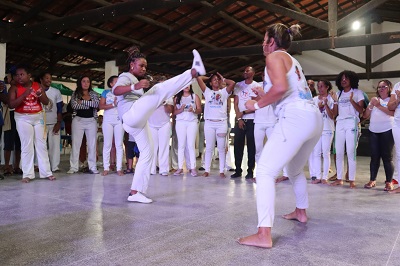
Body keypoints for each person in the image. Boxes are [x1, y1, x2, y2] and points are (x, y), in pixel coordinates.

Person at [237, 23, 322, 248]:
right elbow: (284, 91)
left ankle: (263, 234)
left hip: (296, 118)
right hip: (312, 118)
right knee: (294, 169)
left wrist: (255, 104)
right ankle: (301, 212)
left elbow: (281, 88)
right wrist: (264, 94)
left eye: (264, 39)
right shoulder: (292, 60)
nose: (262, 44)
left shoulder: (274, 57)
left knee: (264, 170)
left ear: (271, 42)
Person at [112, 48, 205, 203]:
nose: (144, 68)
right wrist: (135, 87)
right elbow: (116, 90)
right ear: (132, 64)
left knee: (148, 152)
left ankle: (135, 192)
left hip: (136, 122)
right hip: (130, 115)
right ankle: (193, 72)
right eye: (141, 65)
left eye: (145, 66)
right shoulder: (125, 76)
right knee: (158, 89)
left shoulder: (137, 81)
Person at [8, 65, 54, 183]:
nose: (19, 77)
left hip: (38, 117)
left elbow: (46, 102)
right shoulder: (14, 88)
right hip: (22, 118)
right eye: (17, 75)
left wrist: (40, 95)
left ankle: (46, 173)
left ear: (29, 76)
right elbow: (11, 105)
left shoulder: (37, 85)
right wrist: (24, 95)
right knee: (26, 145)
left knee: (41, 145)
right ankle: (28, 174)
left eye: (22, 74)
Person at [195, 73, 235, 177]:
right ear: (210, 83)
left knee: (221, 148)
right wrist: (209, 78)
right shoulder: (207, 92)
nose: (216, 81)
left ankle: (222, 171)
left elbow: (233, 83)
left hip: (221, 123)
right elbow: (199, 78)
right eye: (214, 80)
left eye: (217, 80)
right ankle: (207, 170)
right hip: (209, 123)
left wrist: (223, 78)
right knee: (209, 147)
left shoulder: (224, 92)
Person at [330, 70, 364, 188]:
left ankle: (352, 179)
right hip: (340, 122)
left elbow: (361, 110)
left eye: (346, 78)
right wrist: (334, 101)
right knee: (338, 152)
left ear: (352, 80)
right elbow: (334, 114)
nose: (343, 80)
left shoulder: (357, 92)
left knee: (351, 152)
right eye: (342, 78)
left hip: (352, 122)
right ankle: (339, 178)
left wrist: (351, 101)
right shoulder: (338, 94)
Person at [363, 80, 394, 191]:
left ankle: (389, 182)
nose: (381, 89)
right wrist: (371, 105)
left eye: (383, 87)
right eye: (379, 87)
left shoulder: (391, 100)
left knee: (387, 157)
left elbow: (392, 113)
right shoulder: (375, 100)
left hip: (387, 130)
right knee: (374, 156)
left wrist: (379, 105)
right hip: (373, 131)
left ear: (389, 88)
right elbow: (365, 115)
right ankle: (372, 180)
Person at [67, 76, 100, 174]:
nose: (86, 83)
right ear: (80, 82)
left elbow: (96, 105)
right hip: (78, 120)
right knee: (76, 144)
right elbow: (74, 105)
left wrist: (83, 102)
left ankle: (92, 166)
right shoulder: (75, 93)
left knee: (92, 144)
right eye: (84, 81)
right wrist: (89, 103)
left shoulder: (93, 94)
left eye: (88, 81)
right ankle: (73, 167)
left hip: (91, 121)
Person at [231, 66, 258, 179]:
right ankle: (238, 170)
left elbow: (257, 104)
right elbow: (236, 103)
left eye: (248, 70)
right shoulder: (239, 85)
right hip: (240, 120)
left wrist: (244, 112)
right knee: (238, 145)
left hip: (252, 119)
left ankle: (250, 171)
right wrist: (239, 118)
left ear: (253, 73)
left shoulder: (257, 86)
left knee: (251, 146)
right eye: (244, 70)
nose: (245, 72)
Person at [310, 80, 337, 184]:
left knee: (325, 153)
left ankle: (324, 177)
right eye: (318, 86)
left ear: (327, 87)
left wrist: (325, 105)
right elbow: (312, 115)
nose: (320, 88)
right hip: (317, 129)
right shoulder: (314, 99)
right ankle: (317, 176)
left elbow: (333, 116)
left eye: (322, 86)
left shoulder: (332, 98)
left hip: (327, 129)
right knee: (316, 153)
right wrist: (318, 107)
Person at [99, 75, 125, 176]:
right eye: (116, 81)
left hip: (119, 121)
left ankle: (119, 168)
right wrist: (113, 104)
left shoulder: (122, 93)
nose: (119, 83)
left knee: (119, 144)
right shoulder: (106, 92)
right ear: (111, 84)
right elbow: (101, 106)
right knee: (107, 144)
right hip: (108, 121)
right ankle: (106, 167)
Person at [173, 85, 201, 177]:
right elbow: (174, 112)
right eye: (185, 84)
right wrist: (181, 109)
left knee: (190, 145)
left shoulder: (195, 96)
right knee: (181, 145)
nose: (187, 86)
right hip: (180, 122)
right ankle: (180, 167)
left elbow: (199, 110)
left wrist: (193, 110)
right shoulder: (177, 97)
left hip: (192, 122)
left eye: (188, 84)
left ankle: (192, 167)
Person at [148, 77, 173, 176]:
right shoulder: (151, 95)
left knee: (164, 147)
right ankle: (151, 169)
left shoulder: (169, 96)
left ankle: (164, 169)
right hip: (151, 124)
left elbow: (170, 110)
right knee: (152, 148)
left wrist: (165, 103)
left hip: (164, 124)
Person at [40, 72, 63, 172]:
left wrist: (58, 122)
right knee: (41, 145)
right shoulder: (37, 91)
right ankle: (39, 165)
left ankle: (54, 166)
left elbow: (59, 109)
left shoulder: (56, 92)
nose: (49, 80)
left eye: (50, 78)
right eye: (46, 78)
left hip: (53, 123)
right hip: (40, 123)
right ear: (41, 79)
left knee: (55, 146)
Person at [2, 72, 22, 177]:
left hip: (21, 115)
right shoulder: (6, 88)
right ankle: (6, 166)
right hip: (10, 115)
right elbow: (6, 100)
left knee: (19, 142)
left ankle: (16, 166)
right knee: (8, 141)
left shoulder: (22, 88)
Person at [387, 81, 400, 194]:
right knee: (399, 154)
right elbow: (390, 106)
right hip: (397, 122)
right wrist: (398, 99)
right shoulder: (397, 85)